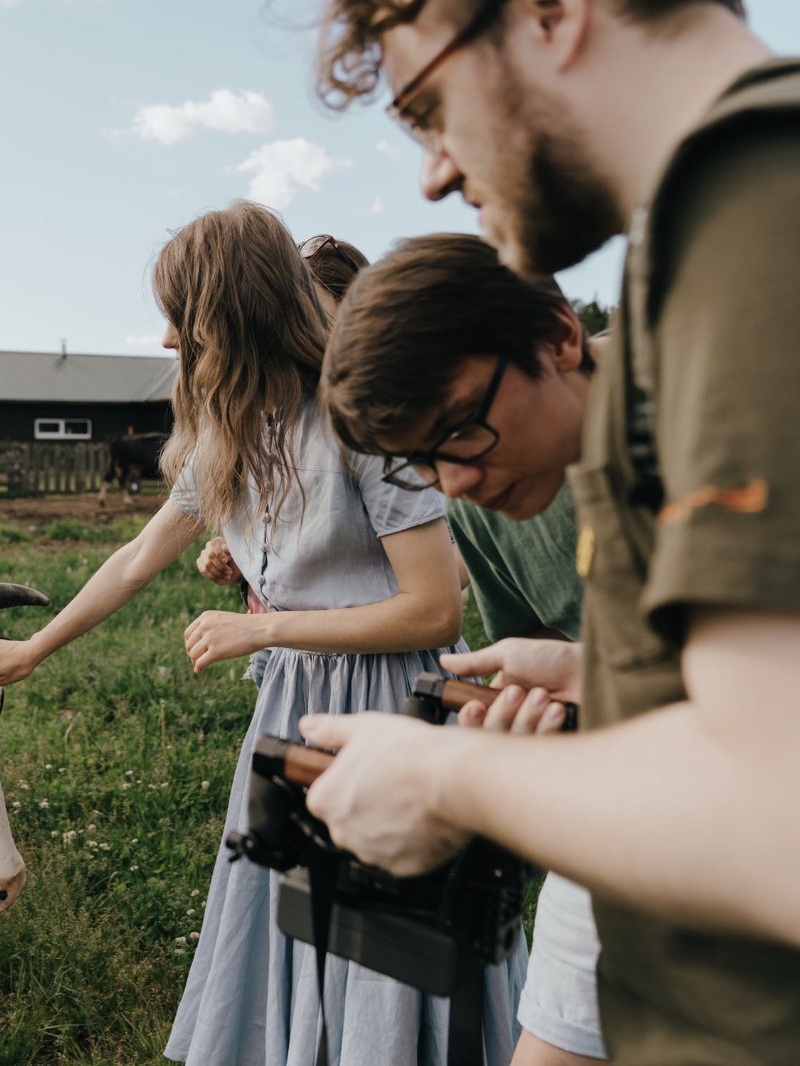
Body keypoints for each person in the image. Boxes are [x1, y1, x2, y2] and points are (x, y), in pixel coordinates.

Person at [303, 1, 800, 1063]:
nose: (434, 174)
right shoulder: (721, 242)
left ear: (549, 13)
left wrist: (445, 779)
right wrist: (604, 672)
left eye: (426, 107)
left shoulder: (771, 217)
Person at [0, 200, 525, 1064]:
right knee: (300, 922)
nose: (169, 343)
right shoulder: (230, 434)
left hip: (392, 710)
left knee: (387, 945)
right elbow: (137, 557)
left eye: (180, 318)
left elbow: (434, 611)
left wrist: (264, 629)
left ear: (228, 315)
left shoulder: (365, 421)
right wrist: (34, 649)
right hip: (294, 709)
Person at [326, 232, 606, 1065]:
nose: (452, 483)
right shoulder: (485, 495)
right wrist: (570, 688)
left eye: (459, 431)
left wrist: (458, 784)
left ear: (559, 337)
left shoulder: (726, 423)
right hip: (625, 821)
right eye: (418, 462)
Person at [197, 232, 372, 688]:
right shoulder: (260, 423)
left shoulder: (370, 426)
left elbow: (443, 581)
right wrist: (232, 547)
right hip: (277, 652)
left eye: (322, 323)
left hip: (361, 664)